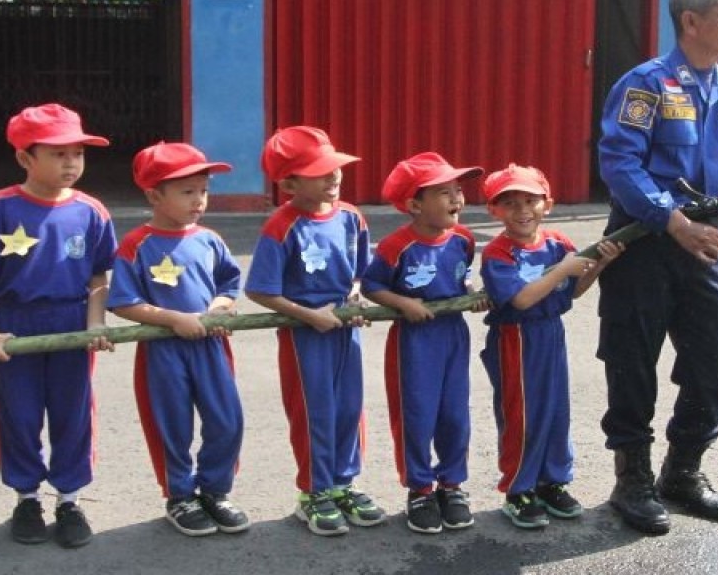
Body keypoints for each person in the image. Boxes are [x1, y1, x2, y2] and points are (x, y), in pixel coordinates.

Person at [597, 0, 718, 534]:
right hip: (645, 243)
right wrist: (673, 222)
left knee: (714, 363)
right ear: (692, 21)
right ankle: (632, 481)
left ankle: (683, 472)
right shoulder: (646, 86)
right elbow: (619, 163)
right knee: (632, 364)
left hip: (706, 247)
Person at [0, 103, 118, 548]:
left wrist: (95, 323)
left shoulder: (92, 211)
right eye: (58, 153)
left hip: (71, 323)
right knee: (19, 413)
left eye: (78, 153)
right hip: (15, 323)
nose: (71, 163)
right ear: (25, 158)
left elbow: (99, 276)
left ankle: (69, 499)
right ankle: (26, 497)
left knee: (72, 412)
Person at [244, 125, 386, 537]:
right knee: (314, 411)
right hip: (304, 334)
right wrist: (308, 315)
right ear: (289, 184)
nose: (333, 177)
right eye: (319, 172)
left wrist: (355, 295)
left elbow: (360, 273)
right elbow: (260, 289)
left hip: (345, 329)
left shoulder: (352, 217)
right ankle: (314, 491)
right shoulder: (282, 226)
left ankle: (344, 483)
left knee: (349, 407)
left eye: (334, 168)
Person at [107, 142, 250, 537]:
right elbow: (124, 302)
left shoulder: (210, 239)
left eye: (203, 190)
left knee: (227, 419)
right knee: (171, 424)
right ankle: (180, 496)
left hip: (210, 345)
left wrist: (218, 307)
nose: (199, 200)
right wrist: (173, 319)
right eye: (188, 192)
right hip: (163, 349)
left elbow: (229, 284)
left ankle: (215, 490)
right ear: (155, 196)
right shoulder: (137, 244)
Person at [478, 164, 623, 530]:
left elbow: (573, 290)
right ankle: (518, 489)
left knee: (555, 410)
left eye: (530, 201)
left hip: (551, 334)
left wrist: (600, 264)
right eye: (510, 203)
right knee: (522, 414)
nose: (522, 210)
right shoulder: (498, 252)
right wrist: (562, 270)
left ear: (548, 204)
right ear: (494, 210)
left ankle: (551, 481)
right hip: (516, 339)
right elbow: (522, 300)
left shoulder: (558, 244)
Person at [361, 152, 484, 535]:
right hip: (414, 340)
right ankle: (419, 489)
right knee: (417, 415)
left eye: (458, 190)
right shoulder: (396, 245)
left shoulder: (463, 239)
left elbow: (462, 275)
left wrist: (470, 293)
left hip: (453, 334)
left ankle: (452, 485)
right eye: (444, 192)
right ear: (415, 205)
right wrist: (403, 303)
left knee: (454, 415)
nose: (457, 198)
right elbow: (372, 285)